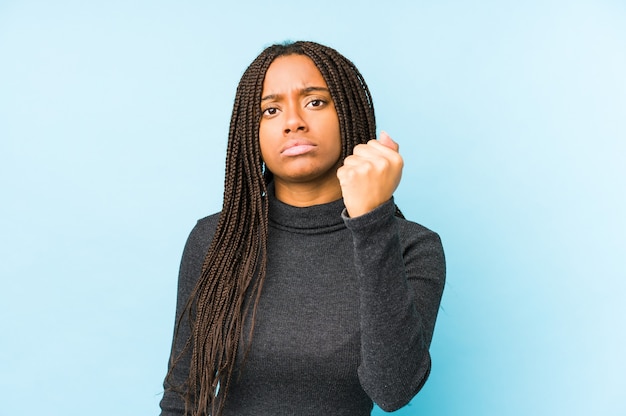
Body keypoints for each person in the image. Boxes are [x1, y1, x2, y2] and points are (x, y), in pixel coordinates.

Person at [159, 40, 446, 416]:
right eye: (271, 110)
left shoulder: (411, 247)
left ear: (347, 112)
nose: (293, 121)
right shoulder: (216, 241)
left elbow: (392, 390)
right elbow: (183, 396)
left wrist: (371, 221)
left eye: (315, 102)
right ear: (251, 132)